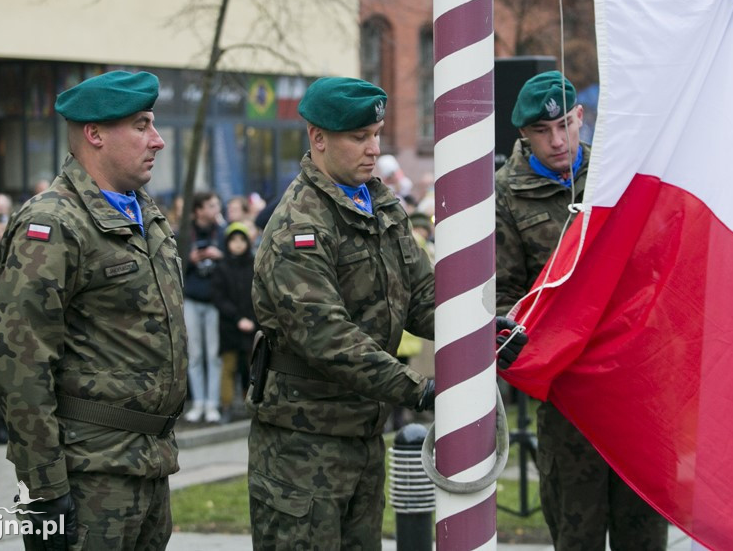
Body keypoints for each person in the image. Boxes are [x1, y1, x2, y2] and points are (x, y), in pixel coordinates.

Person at [248, 76, 526, 548]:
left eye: (376, 134)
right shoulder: (300, 224)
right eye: (359, 137)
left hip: (361, 435)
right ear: (318, 138)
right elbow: (327, 336)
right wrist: (418, 390)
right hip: (301, 445)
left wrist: (478, 332)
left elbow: (420, 295)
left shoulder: (381, 206)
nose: (373, 149)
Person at [0, 71, 187, 550]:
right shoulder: (53, 222)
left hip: (148, 464)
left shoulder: (145, 215)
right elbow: (19, 362)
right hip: (88, 474)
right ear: (95, 134)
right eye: (141, 126)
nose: (157, 141)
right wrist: (45, 489)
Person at [494, 71, 667, 550]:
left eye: (566, 126)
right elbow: (504, 295)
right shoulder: (505, 194)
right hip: (567, 392)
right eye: (542, 132)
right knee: (578, 532)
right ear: (523, 135)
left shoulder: (616, 175)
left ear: (581, 118)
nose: (558, 141)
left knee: (645, 533)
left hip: (633, 388)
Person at [182, 190, 225, 424]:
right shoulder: (185, 234)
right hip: (191, 299)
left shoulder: (224, 231)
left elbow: (235, 262)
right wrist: (191, 259)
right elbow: (174, 265)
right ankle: (198, 403)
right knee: (195, 353)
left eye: (217, 204)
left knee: (214, 354)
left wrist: (220, 255)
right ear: (198, 210)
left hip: (214, 302)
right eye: (210, 205)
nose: (215, 208)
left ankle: (212, 403)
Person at [211, 221, 258, 421]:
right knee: (228, 367)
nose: (238, 244)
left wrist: (253, 320)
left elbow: (259, 294)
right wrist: (238, 318)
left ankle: (251, 405)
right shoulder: (221, 268)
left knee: (252, 367)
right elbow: (218, 297)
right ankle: (227, 406)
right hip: (230, 327)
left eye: (242, 240)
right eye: (233, 240)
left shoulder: (255, 264)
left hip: (253, 326)